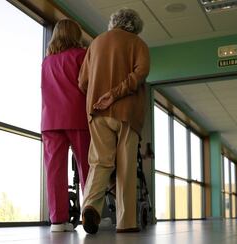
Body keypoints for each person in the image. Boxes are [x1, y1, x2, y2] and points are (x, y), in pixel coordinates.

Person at [78, 8, 150, 234]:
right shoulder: (138, 44)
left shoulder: (96, 43)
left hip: (97, 112)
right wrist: (117, 92)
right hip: (127, 113)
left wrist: (100, 95)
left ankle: (90, 205)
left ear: (114, 23)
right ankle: (126, 223)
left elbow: (82, 82)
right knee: (126, 167)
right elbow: (141, 73)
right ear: (135, 27)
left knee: (100, 162)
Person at [41, 19, 90, 232]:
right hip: (76, 116)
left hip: (50, 119)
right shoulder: (82, 55)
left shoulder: (46, 61)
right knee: (88, 167)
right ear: (75, 35)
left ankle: (57, 222)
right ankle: (91, 216)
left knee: (54, 170)